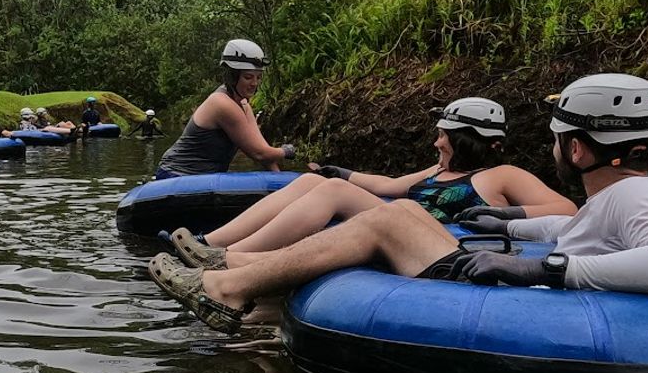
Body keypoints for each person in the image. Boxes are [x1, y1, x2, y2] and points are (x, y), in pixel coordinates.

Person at [148, 73, 648, 332]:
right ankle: (233, 265)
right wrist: (518, 233)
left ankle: (226, 286)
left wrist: (541, 266)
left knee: (393, 218)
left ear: (581, 148)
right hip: (526, 291)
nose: (553, 145)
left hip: (528, 306)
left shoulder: (641, 192)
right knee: (400, 210)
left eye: (559, 136)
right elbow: (577, 232)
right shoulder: (617, 196)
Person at [165, 97, 574, 269]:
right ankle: (210, 242)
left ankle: (225, 256)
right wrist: (337, 171)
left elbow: (567, 210)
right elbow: (388, 184)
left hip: (432, 235)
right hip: (402, 218)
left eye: (445, 135)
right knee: (317, 184)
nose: (437, 140)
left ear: (470, 139)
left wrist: (502, 214)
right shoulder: (436, 170)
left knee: (333, 194)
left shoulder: (502, 175)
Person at [157, 38, 295, 177]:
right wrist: (287, 151)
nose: (254, 83)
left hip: (206, 178)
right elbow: (259, 154)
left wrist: (280, 180)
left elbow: (262, 151)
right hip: (176, 174)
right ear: (233, 77)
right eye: (248, 77)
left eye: (258, 77)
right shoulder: (222, 104)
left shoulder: (244, 105)